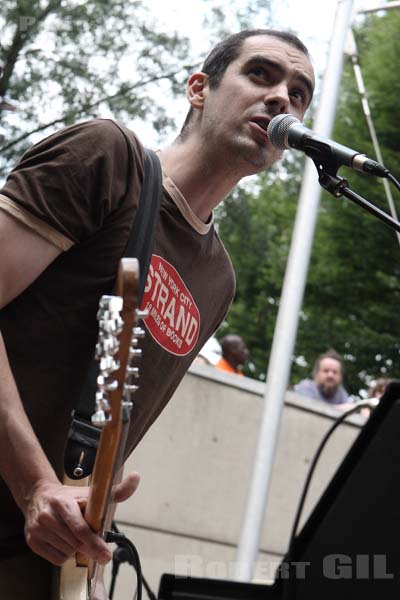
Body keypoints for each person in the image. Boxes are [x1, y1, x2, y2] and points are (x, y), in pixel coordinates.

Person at [0, 28, 315, 598]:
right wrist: (33, 487)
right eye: (261, 74)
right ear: (199, 88)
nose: (281, 100)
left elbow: (114, 416)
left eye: (299, 93)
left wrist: (93, 526)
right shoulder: (107, 158)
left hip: (42, 556)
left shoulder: (218, 278)